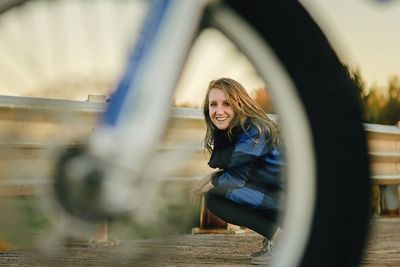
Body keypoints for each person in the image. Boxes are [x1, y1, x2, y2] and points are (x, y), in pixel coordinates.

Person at [189, 78, 284, 265]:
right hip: (284, 199)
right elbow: (242, 172)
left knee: (216, 198)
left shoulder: (254, 130)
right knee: (219, 193)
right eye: (213, 104)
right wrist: (212, 177)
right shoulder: (239, 129)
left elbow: (237, 180)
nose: (219, 111)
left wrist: (211, 182)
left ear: (239, 104)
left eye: (227, 104)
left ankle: (285, 241)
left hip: (298, 204)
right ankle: (280, 237)